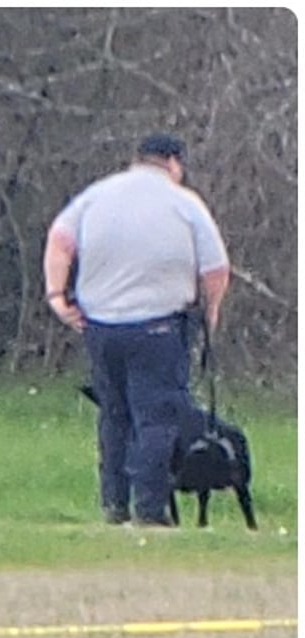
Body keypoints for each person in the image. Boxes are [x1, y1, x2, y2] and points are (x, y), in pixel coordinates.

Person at [42, 133, 230, 526]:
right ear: (173, 163)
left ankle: (114, 504)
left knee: (114, 415)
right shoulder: (184, 203)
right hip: (159, 327)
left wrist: (58, 296)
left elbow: (59, 242)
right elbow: (215, 269)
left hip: (101, 327)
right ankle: (150, 509)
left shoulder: (95, 196)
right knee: (156, 418)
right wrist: (210, 312)